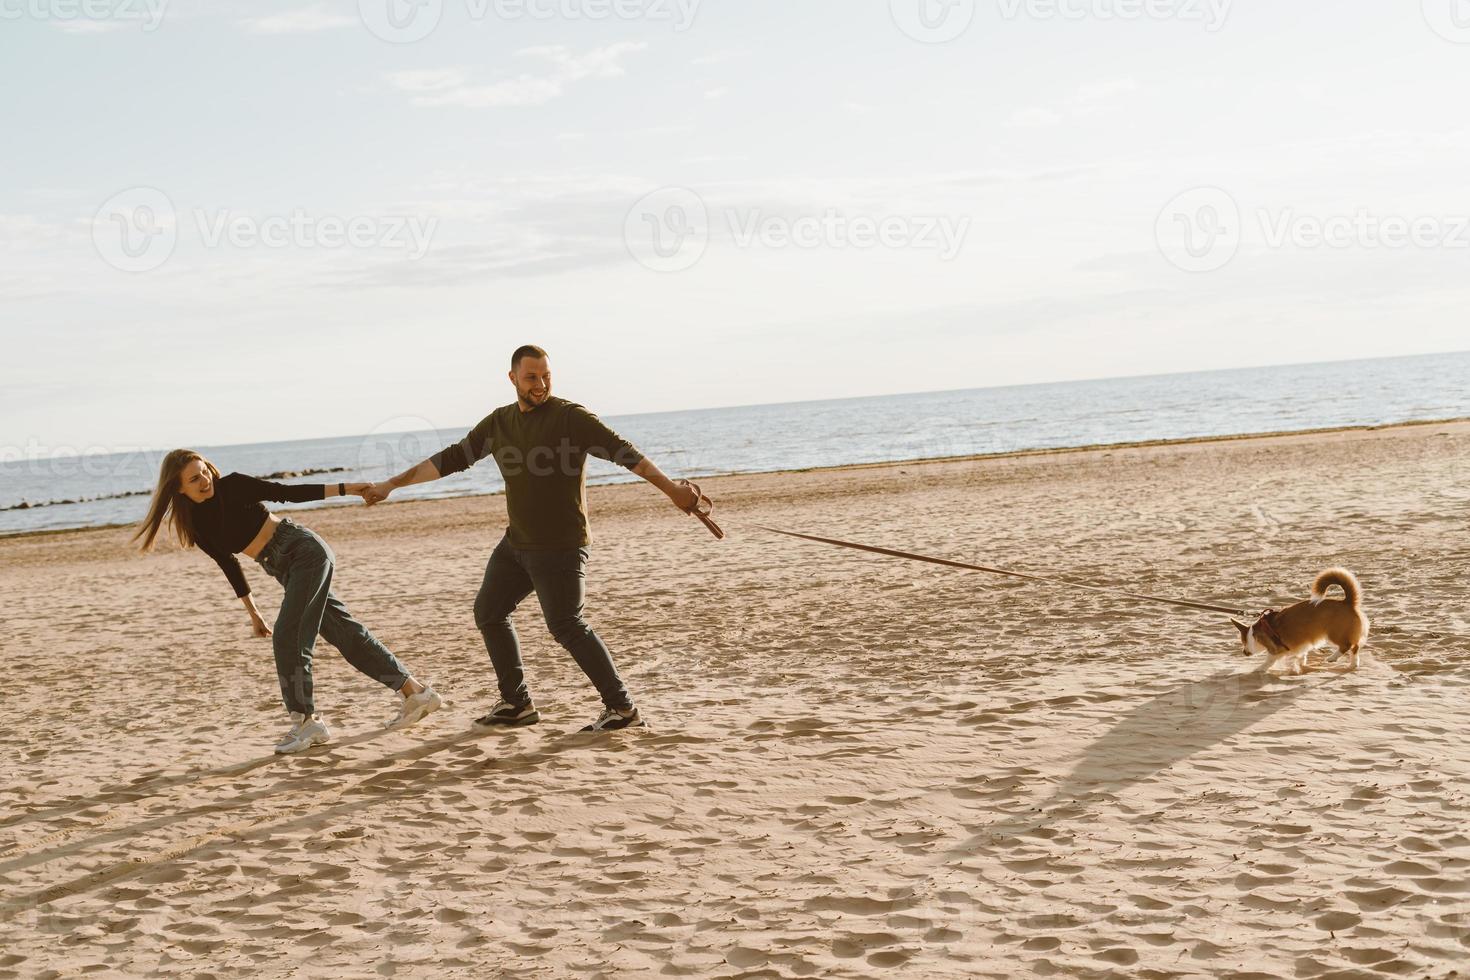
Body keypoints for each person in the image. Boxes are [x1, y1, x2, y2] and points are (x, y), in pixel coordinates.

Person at [363, 344, 701, 732]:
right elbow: (451, 459)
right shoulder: (499, 422)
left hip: (560, 544)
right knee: (489, 612)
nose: (540, 385)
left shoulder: (570, 417)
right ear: (512, 378)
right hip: (517, 544)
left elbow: (626, 453)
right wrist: (391, 484)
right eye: (531, 377)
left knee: (567, 626)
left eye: (546, 376)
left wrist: (672, 489)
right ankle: (517, 703)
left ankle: (622, 709)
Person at [134, 450, 442, 753]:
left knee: (288, 637)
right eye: (193, 478)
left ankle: (306, 721)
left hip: (302, 550)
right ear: (178, 487)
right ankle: (415, 693)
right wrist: (254, 614)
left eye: (204, 471)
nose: (204, 480)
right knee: (344, 633)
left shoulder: (234, 485)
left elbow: (289, 493)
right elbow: (229, 565)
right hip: (281, 568)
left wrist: (349, 488)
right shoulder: (197, 525)